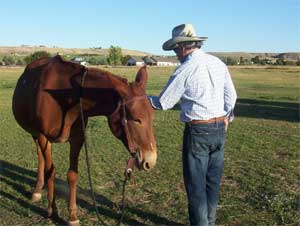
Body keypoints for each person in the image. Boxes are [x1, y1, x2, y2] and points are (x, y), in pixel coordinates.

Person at [148, 24, 237, 226]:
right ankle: (210, 222)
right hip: (219, 129)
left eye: (175, 49)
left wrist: (143, 99)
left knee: (196, 187)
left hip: (198, 131)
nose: (175, 54)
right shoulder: (218, 63)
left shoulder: (185, 69)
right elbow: (232, 97)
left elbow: (164, 102)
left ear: (182, 47)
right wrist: (226, 119)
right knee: (212, 183)